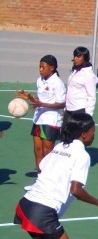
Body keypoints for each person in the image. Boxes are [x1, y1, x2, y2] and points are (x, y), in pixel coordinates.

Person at [16, 55, 66, 189]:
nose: (40, 69)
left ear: (52, 68)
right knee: (38, 151)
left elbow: (61, 104)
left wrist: (41, 104)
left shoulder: (57, 83)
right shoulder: (40, 81)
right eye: (39, 66)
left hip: (51, 121)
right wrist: (30, 97)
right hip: (38, 119)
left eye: (43, 67)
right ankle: (39, 182)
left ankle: (50, 183)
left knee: (47, 152)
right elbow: (40, 100)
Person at [64, 46, 98, 126]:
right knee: (65, 136)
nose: (75, 58)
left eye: (78, 56)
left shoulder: (88, 75)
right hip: (69, 110)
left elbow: (91, 97)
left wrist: (88, 116)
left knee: (76, 137)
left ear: (85, 58)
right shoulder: (75, 71)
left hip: (79, 111)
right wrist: (65, 108)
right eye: (75, 56)